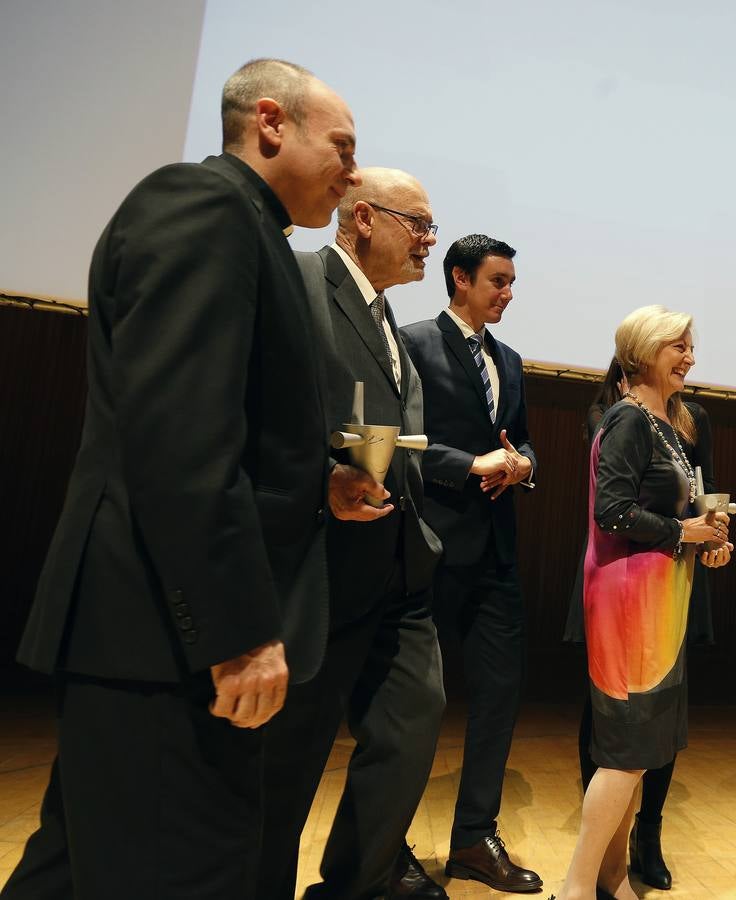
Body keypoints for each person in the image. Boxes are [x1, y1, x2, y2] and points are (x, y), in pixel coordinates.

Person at [1, 58, 364, 899]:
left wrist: (321, 484)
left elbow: (223, 431)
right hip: (164, 639)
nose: (352, 172)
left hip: (151, 635)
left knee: (75, 871)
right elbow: (183, 441)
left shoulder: (248, 228)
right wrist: (237, 634)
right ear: (271, 123)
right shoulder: (205, 208)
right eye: (342, 147)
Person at [258, 168, 448, 900]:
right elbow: (260, 413)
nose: (429, 240)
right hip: (322, 570)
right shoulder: (301, 282)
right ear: (363, 218)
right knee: (288, 764)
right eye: (418, 224)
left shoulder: (387, 317)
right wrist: (320, 481)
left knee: (410, 729)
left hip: (399, 572)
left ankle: (354, 886)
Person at [557, 306, 733, 900]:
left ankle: (613, 878)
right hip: (629, 601)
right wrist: (686, 534)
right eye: (676, 346)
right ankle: (577, 887)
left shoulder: (667, 423)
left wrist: (705, 540)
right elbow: (612, 511)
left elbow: (675, 515)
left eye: (690, 345)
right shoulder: (628, 420)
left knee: (640, 752)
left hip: (662, 598)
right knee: (627, 753)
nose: (688, 356)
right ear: (641, 352)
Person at [400, 235, 541, 893]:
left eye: (512, 281)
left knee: (497, 699)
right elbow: (398, 442)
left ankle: (474, 841)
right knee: (413, 703)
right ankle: (387, 843)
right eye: (497, 280)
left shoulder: (509, 360)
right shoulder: (413, 341)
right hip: (429, 545)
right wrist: (469, 465)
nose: (508, 292)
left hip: (497, 555)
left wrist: (523, 464)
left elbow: (520, 439)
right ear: (459, 278)